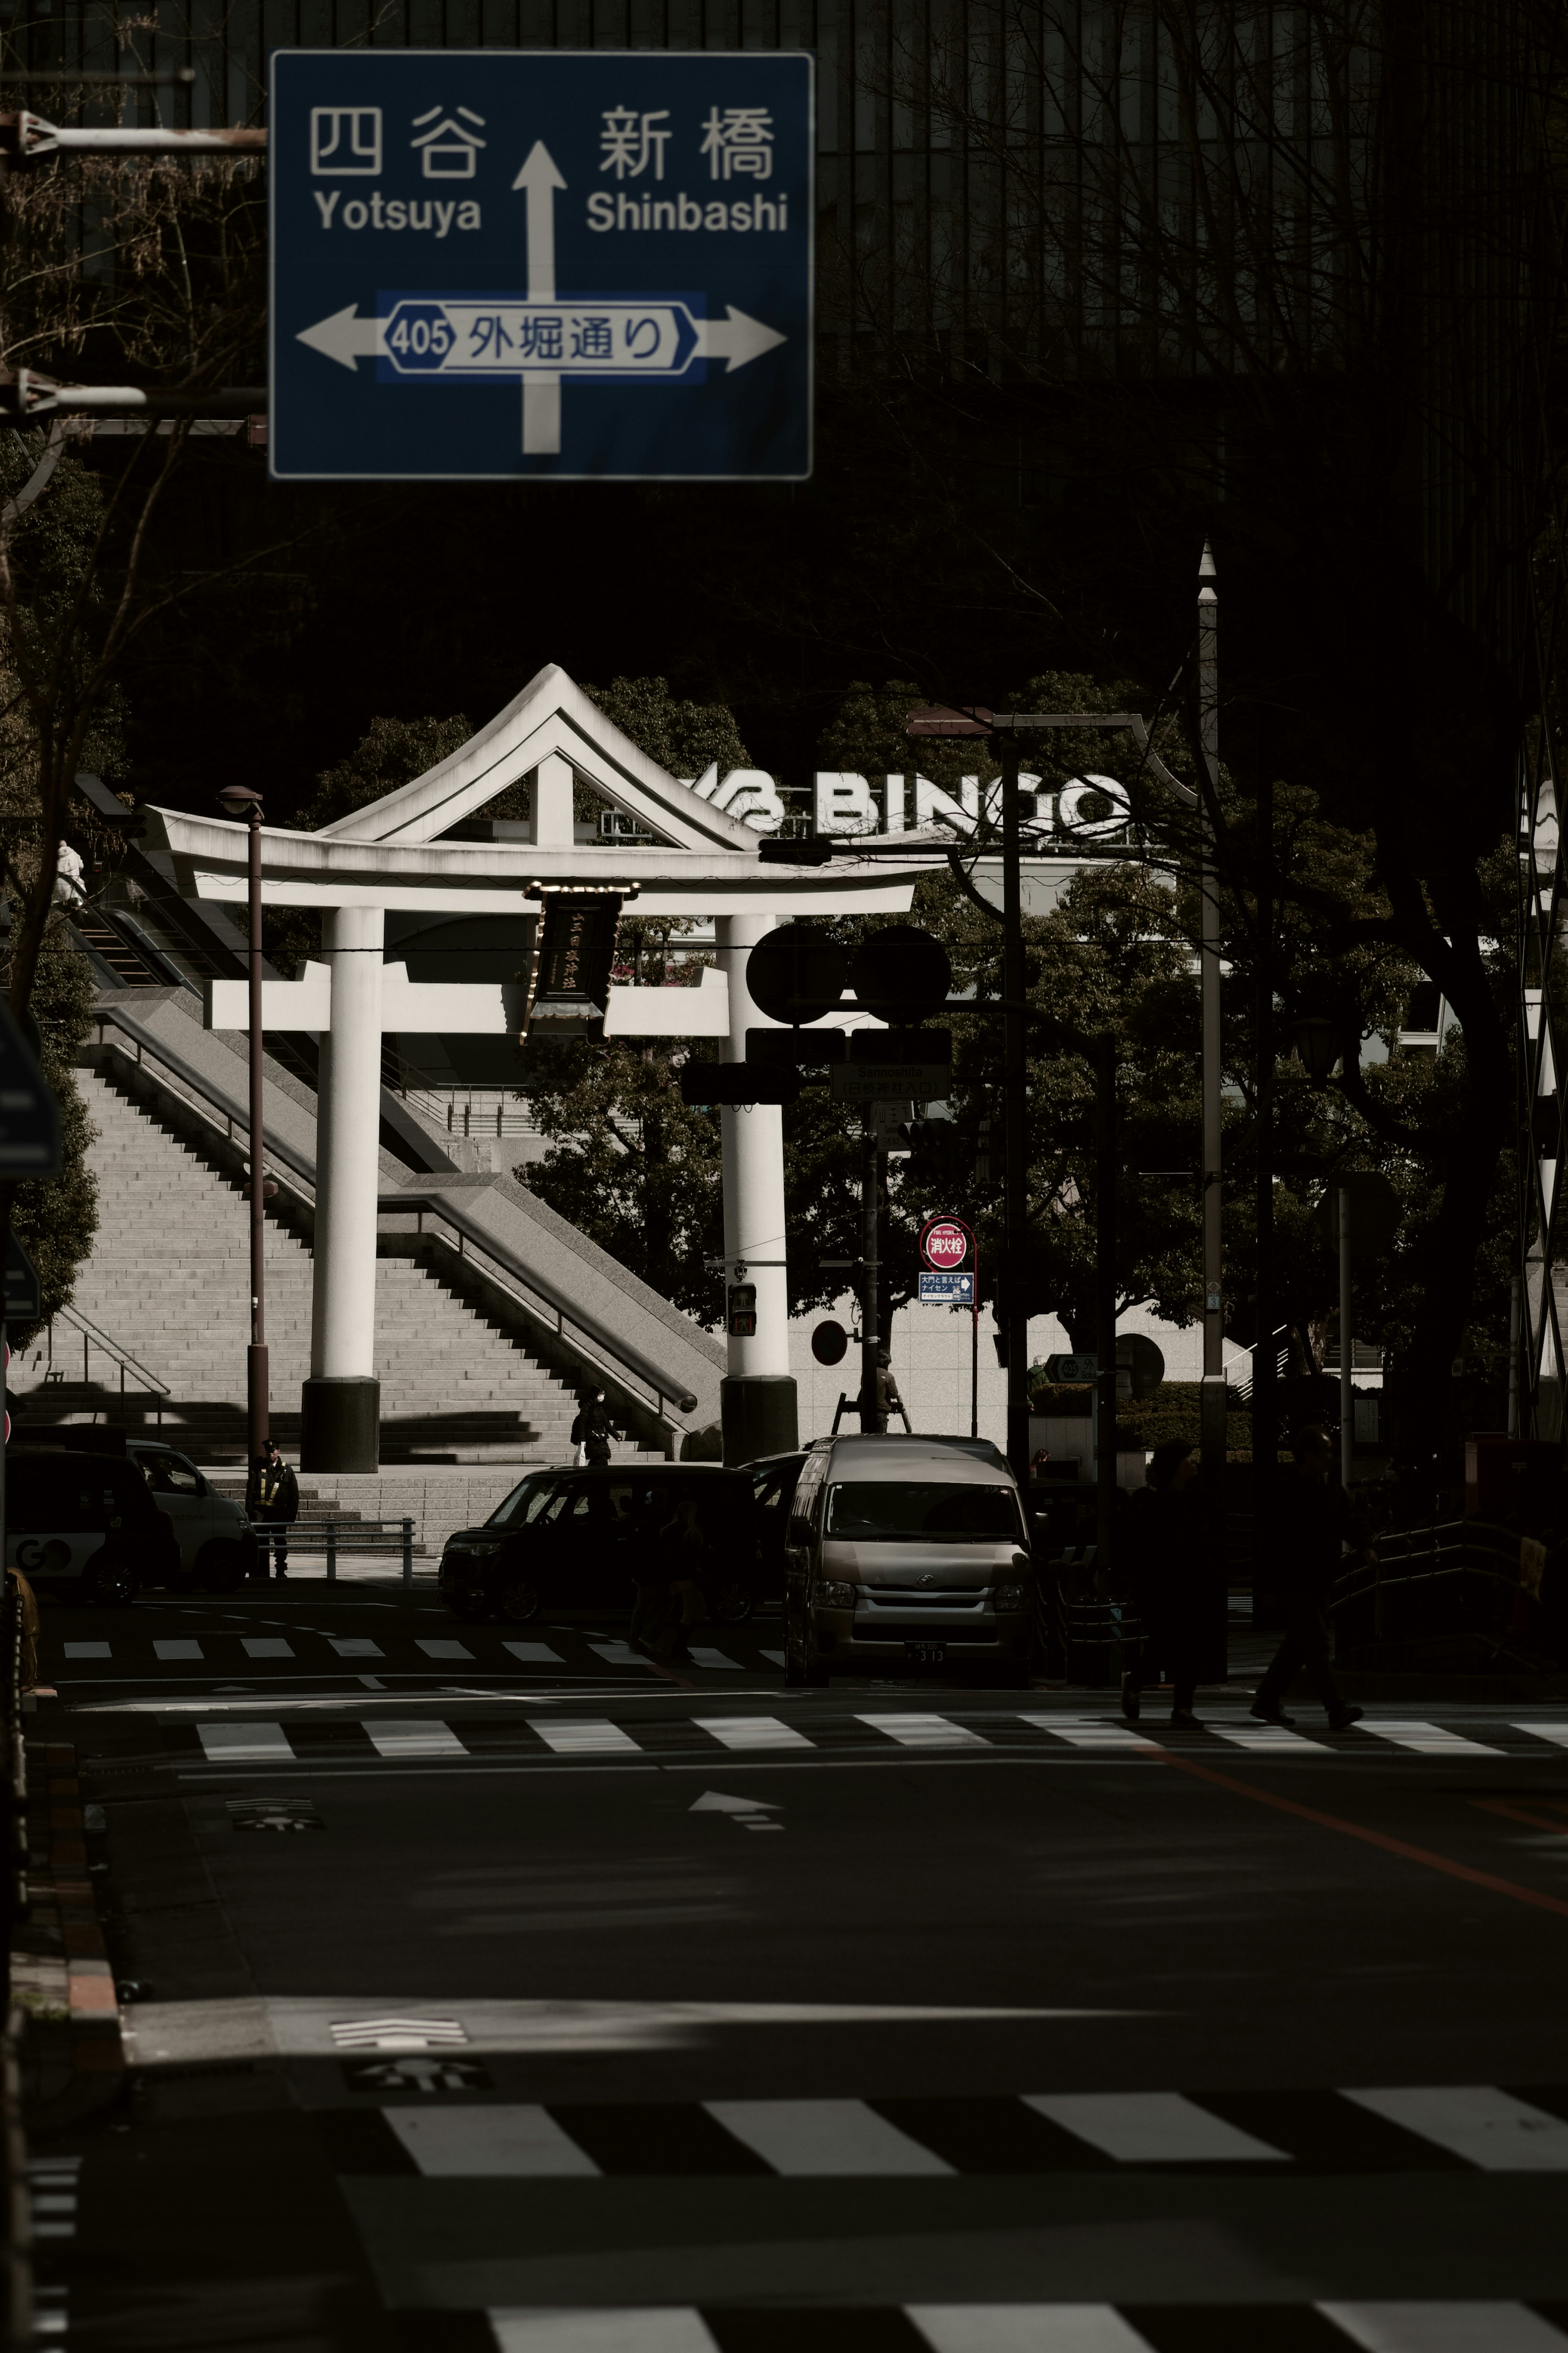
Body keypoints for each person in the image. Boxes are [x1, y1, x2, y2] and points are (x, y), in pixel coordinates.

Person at [1250, 1424, 1373, 1730]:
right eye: (1327, 1451)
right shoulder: (1287, 1492)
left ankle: (1266, 1699)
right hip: (1294, 1581)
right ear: (1309, 1455)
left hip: (1320, 1581)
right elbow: (1269, 1541)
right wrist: (1266, 1585)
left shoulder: (1328, 1490)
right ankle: (1335, 1707)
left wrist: (1367, 1544)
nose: (1331, 1457)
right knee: (1316, 1644)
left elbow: (1350, 1521)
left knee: (1298, 1645)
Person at [1119, 1439, 1210, 1728]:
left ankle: (1183, 1707)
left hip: (1189, 1584)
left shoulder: (1197, 1499)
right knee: (1164, 1644)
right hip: (1160, 1587)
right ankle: (1135, 1684)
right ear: (1175, 1466)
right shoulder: (1156, 1506)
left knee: (1190, 1646)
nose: (1194, 1461)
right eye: (1188, 1457)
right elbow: (1146, 1553)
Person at [633, 1495, 710, 1663]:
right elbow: (691, 1556)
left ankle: (678, 1645)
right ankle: (679, 1646)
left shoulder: (669, 1530)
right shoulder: (690, 1531)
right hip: (687, 1575)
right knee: (691, 1611)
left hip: (678, 1575)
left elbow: (668, 1556)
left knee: (697, 1609)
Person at [247, 1438, 299, 1580]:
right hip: (261, 1513)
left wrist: (292, 1514)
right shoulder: (258, 1467)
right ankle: (261, 1571)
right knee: (261, 1543)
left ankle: (281, 1571)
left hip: (279, 1513)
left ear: (279, 1451)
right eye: (269, 1451)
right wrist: (250, 1510)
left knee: (280, 1544)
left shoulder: (287, 1470)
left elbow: (294, 1494)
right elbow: (250, 1489)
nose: (271, 1454)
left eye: (273, 1451)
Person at [571, 1390, 612, 1468]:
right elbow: (582, 1426)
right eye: (601, 1394)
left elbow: (607, 1424)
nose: (602, 1396)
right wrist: (582, 1441)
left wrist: (616, 1435)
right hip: (592, 1440)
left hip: (599, 1439)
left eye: (604, 1394)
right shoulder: (587, 1409)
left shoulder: (599, 1409)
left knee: (597, 1461)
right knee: (601, 1459)